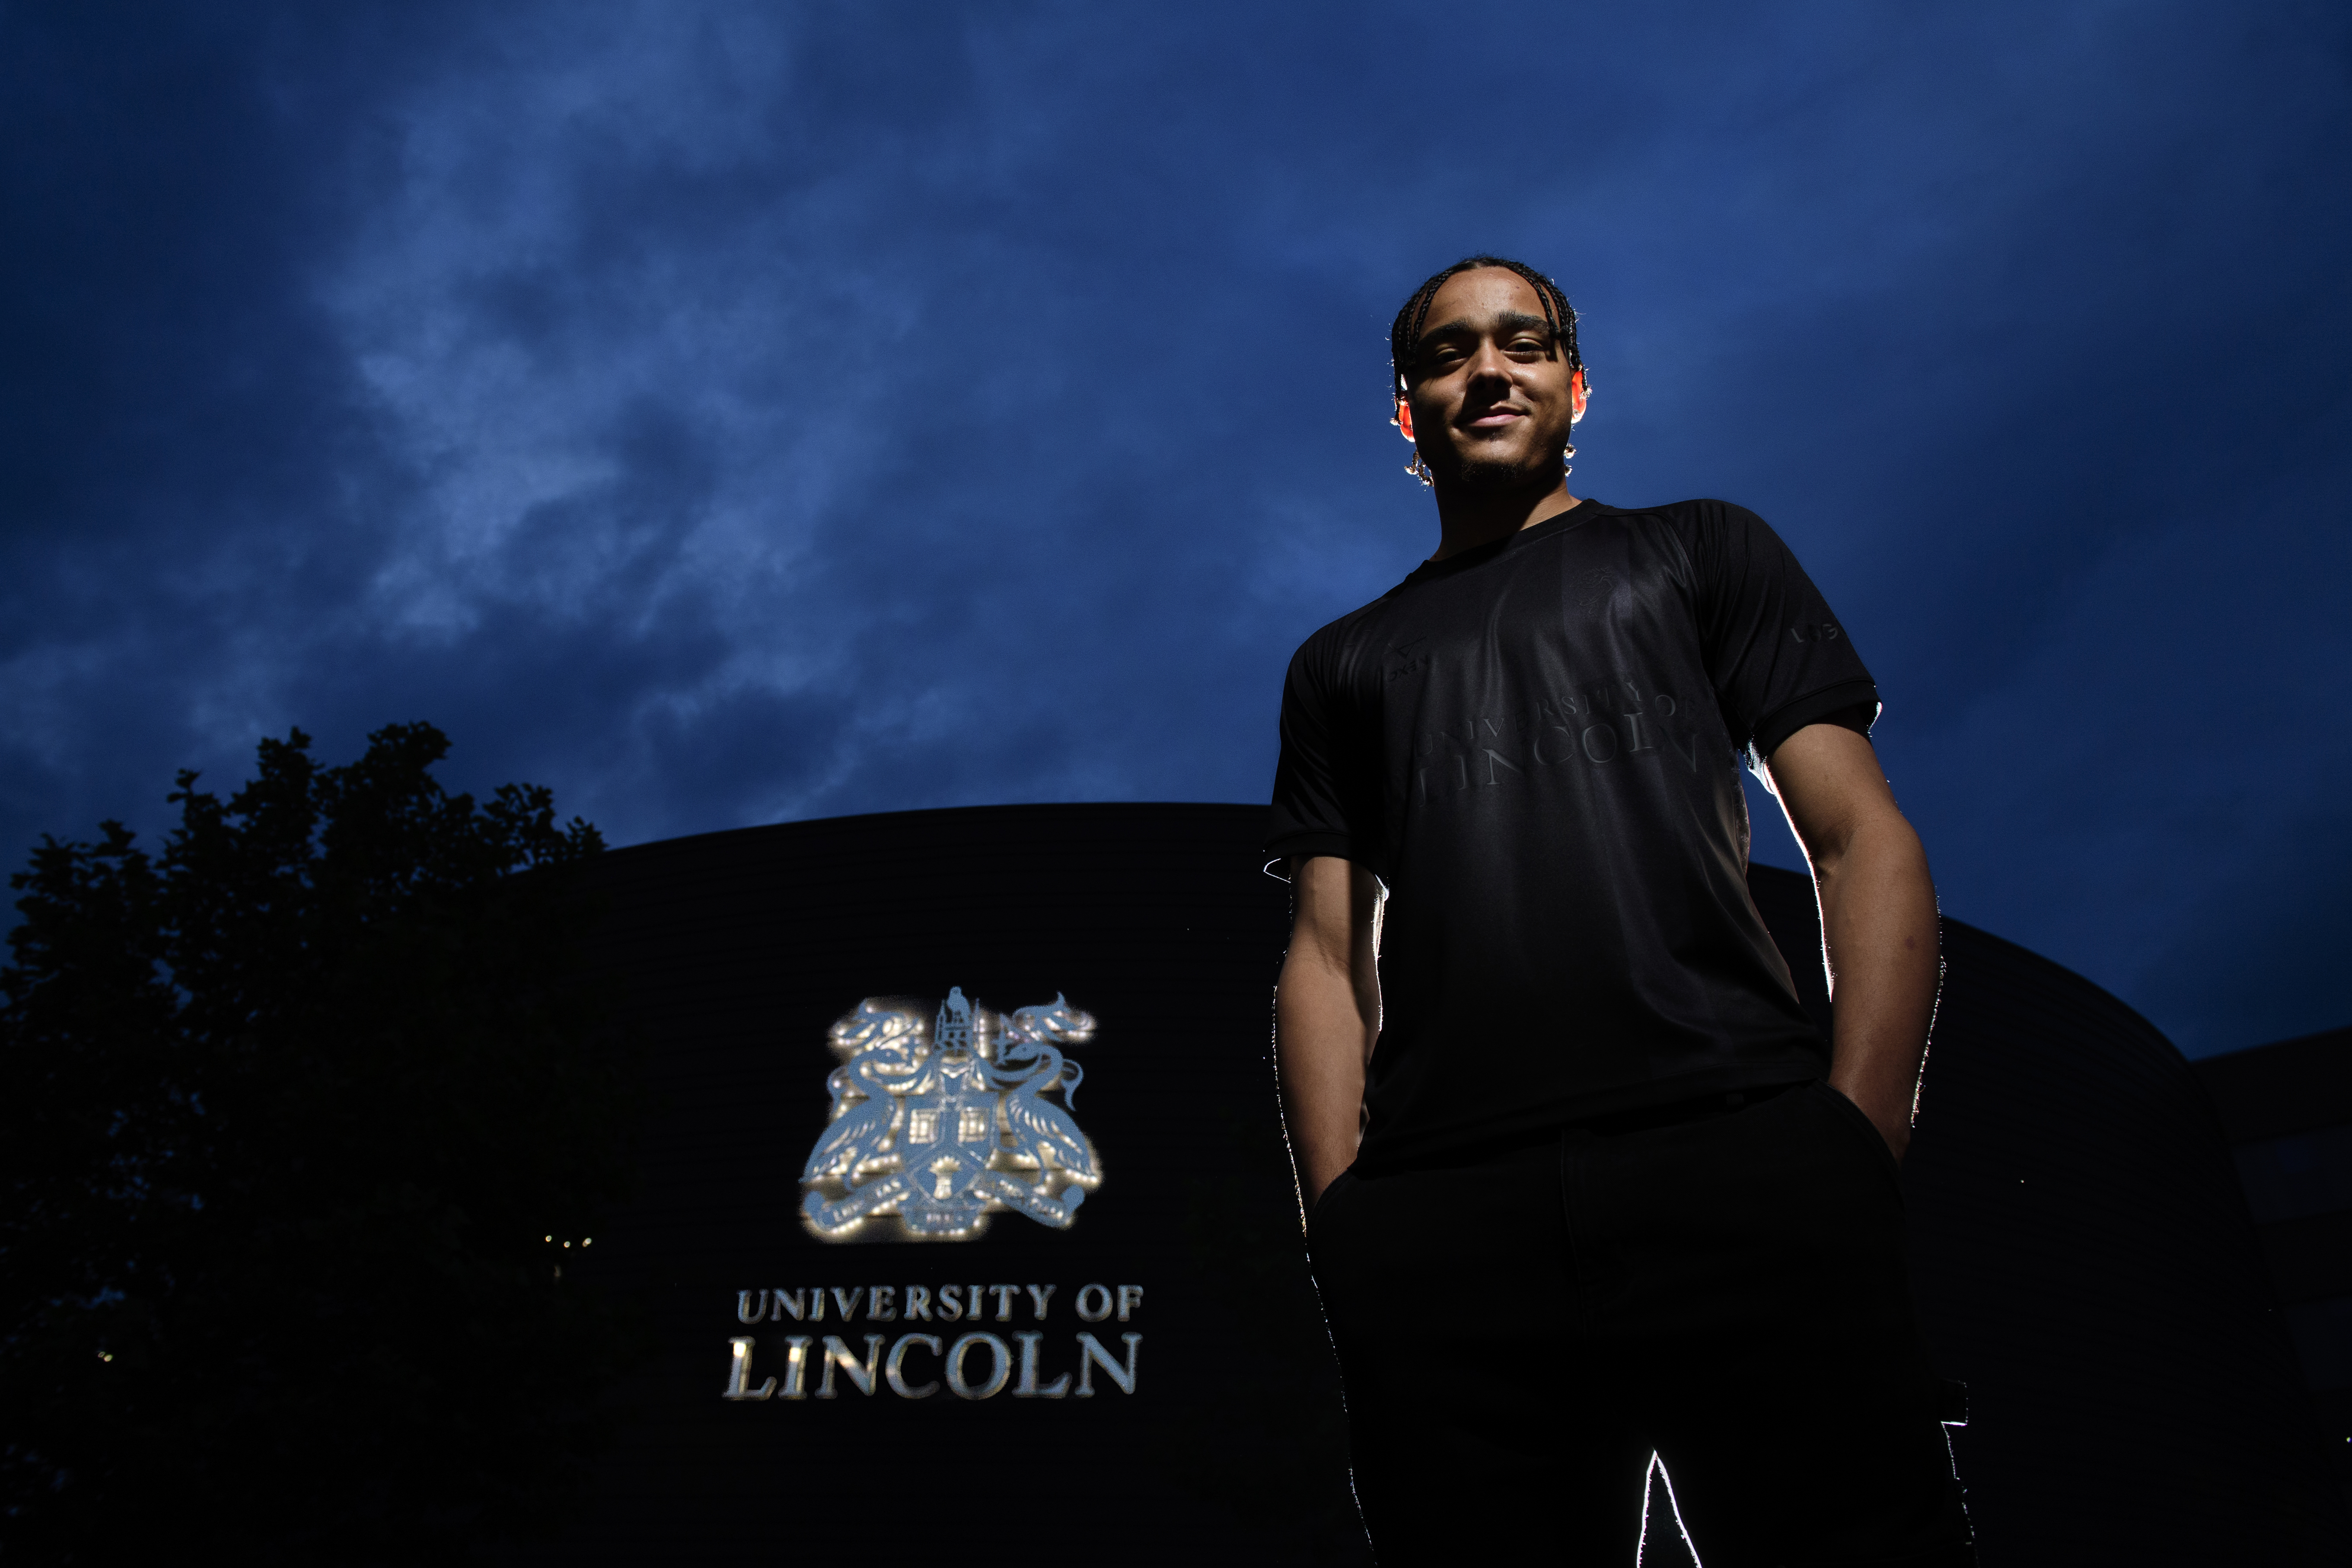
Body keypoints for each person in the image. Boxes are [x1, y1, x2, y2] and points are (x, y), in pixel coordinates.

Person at [1268, 255, 1973, 1565]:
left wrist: (1852, 1138)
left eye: (1523, 342)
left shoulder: (1700, 547)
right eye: (1448, 352)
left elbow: (1858, 833)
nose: (1489, 368)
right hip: (1444, 1221)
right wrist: (1345, 1226)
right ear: (1405, 410)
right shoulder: (1340, 664)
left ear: (1574, 383)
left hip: (1742, 1162)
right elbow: (1322, 953)